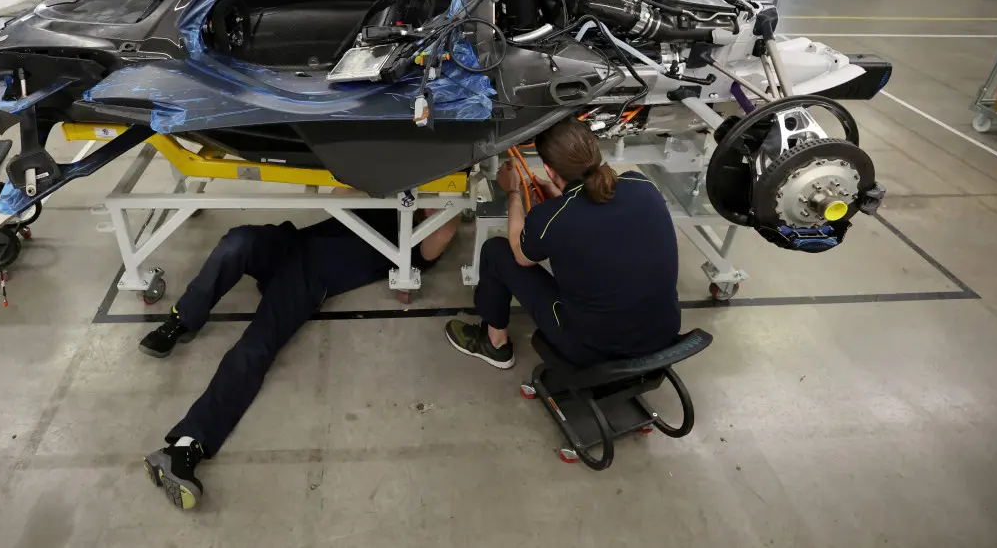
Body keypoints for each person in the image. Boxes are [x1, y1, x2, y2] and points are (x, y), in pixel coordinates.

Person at [141, 203, 460, 510]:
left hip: (307, 280)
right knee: (237, 241)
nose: (433, 208)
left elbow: (442, 234)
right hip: (289, 244)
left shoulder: (416, 245)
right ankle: (181, 319)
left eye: (442, 207)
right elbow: (340, 196)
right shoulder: (393, 199)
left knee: (256, 347)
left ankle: (184, 448)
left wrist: (450, 207)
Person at [446, 118, 681, 369]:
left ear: (548, 170)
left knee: (496, 252)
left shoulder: (552, 218)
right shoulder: (641, 185)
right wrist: (561, 198)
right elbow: (602, 224)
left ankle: (494, 343)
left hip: (594, 349)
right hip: (664, 336)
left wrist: (513, 193)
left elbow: (520, 255)